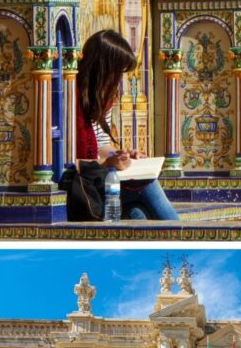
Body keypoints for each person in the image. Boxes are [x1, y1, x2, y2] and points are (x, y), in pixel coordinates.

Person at [76, 30, 179, 220]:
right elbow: (71, 164)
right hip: (83, 188)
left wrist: (121, 155)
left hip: (100, 180)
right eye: (116, 72)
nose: (118, 80)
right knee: (147, 184)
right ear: (102, 69)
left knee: (136, 214)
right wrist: (107, 163)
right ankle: (182, 241)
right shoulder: (73, 102)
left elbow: (101, 146)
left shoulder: (98, 100)